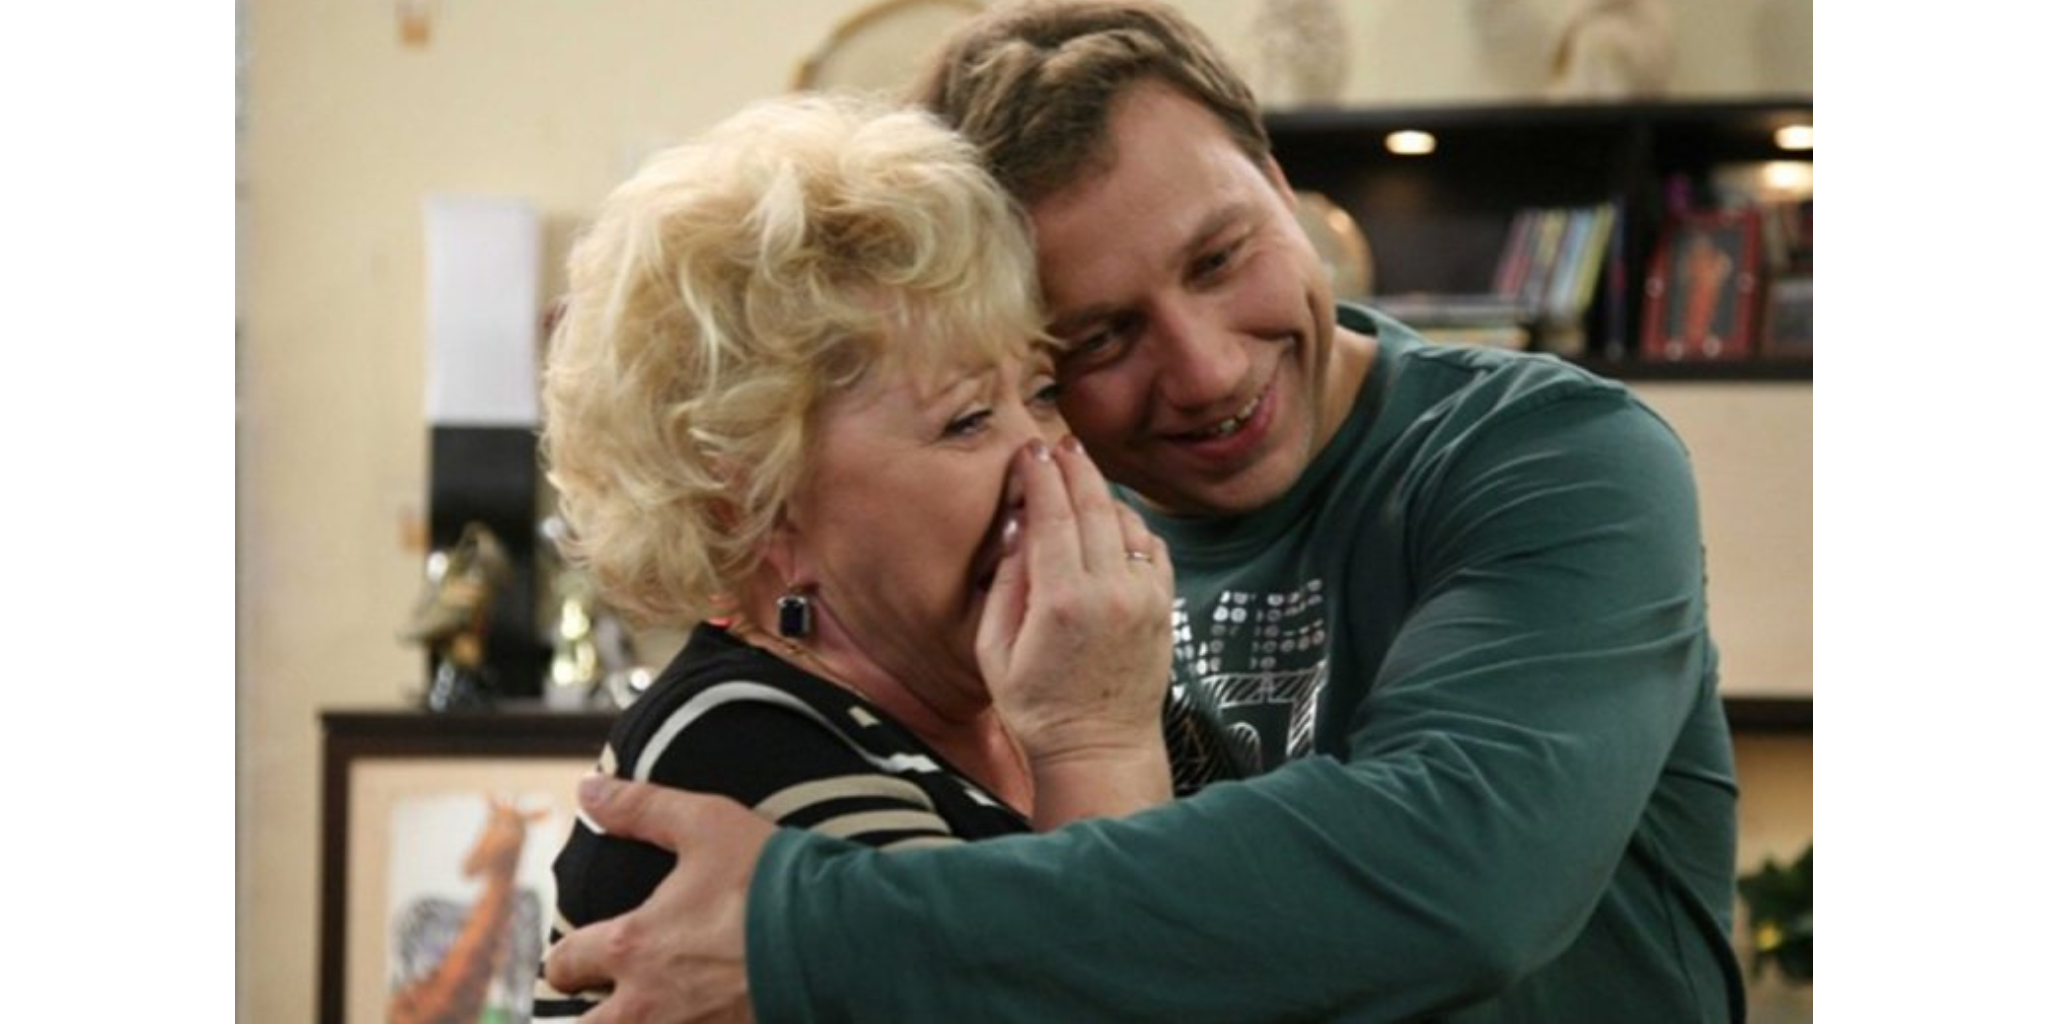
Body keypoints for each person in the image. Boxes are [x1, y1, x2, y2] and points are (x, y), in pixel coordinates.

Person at [542, 1, 1745, 1019]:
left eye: (1219, 257)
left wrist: (812, 932)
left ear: (1283, 187)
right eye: (1097, 339)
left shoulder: (1549, 459)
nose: (1207, 369)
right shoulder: (1046, 569)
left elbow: (1466, 872)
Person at [530, 91, 1177, 1019]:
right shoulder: (732, 749)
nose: (1048, 460)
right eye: (966, 419)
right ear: (757, 507)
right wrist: (1099, 745)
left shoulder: (1050, 683)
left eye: (1040, 392)